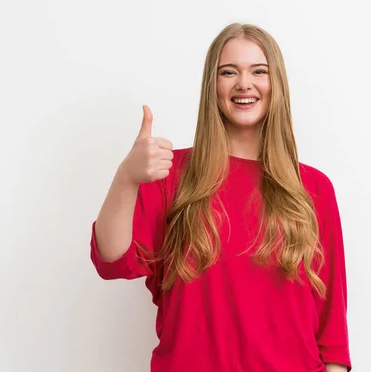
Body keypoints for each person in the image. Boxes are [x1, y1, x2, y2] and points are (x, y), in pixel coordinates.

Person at [89, 23, 352, 372]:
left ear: (277, 85)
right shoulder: (171, 176)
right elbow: (111, 260)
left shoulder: (314, 188)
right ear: (212, 85)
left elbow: (331, 325)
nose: (244, 83)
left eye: (259, 71)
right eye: (229, 71)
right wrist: (126, 178)